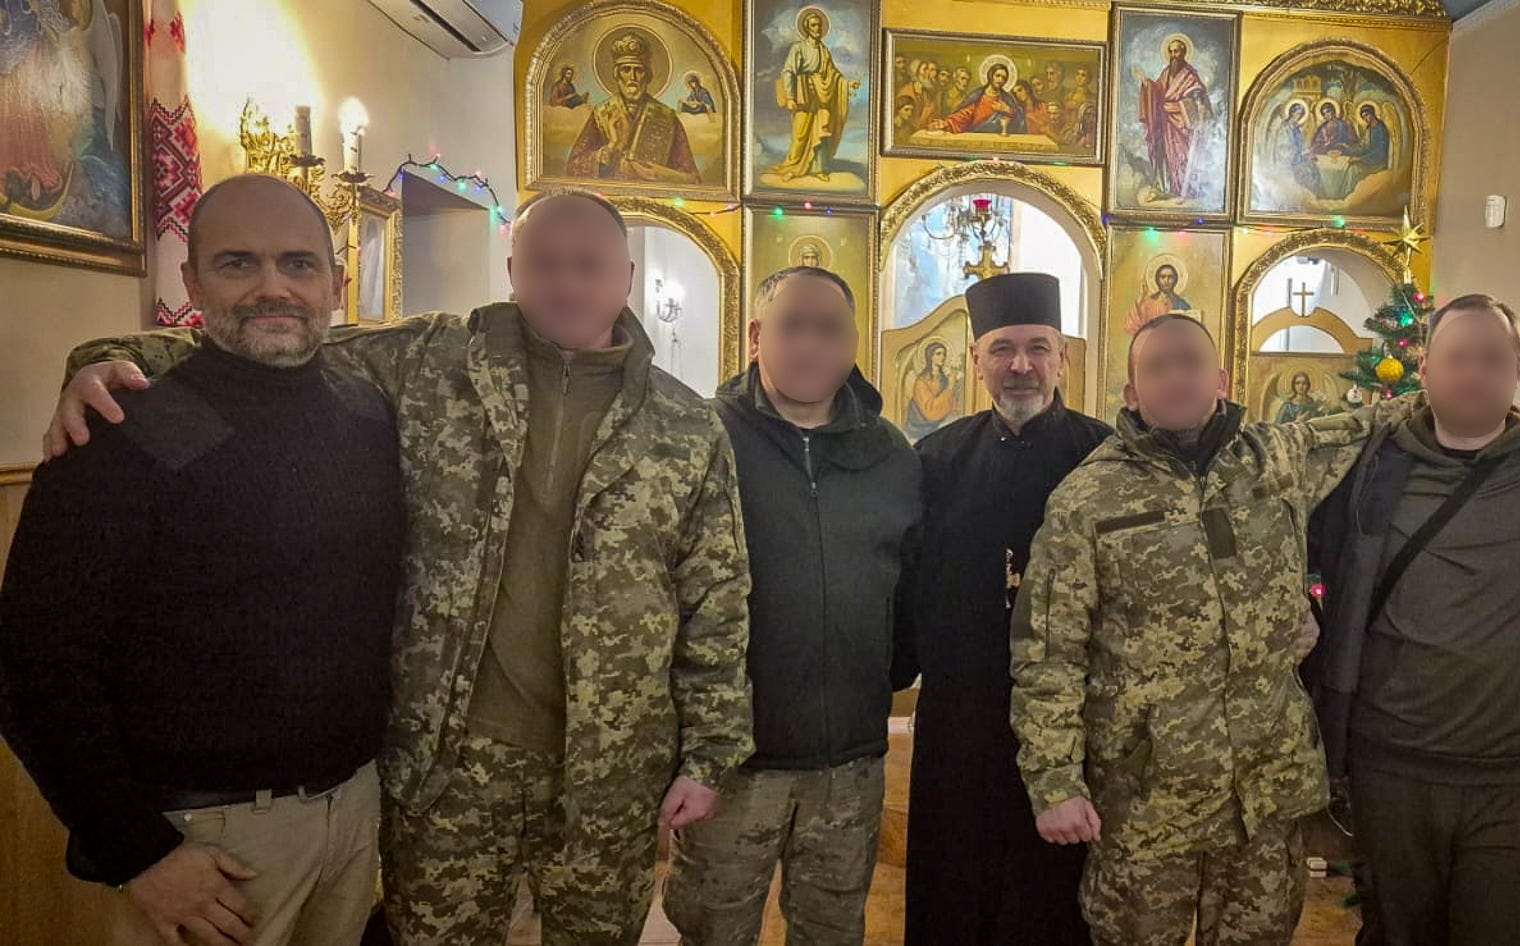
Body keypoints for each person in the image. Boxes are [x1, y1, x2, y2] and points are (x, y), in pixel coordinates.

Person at [47, 190, 755, 946]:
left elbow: (715, 597)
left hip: (611, 768)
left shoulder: (686, 424)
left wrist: (710, 754)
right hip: (447, 769)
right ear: (513, 270)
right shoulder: (430, 360)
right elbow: (269, 343)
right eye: (545, 264)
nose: (567, 284)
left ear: (627, 277)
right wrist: (108, 364)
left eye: (590, 266)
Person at [1, 174, 401, 946]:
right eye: (237, 263)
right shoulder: (128, 430)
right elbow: (34, 661)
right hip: (202, 839)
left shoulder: (369, 416)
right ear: (192, 283)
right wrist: (137, 851)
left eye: (297, 263)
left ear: (336, 283)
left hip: (356, 813)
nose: (272, 287)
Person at [1012, 313, 1370, 946]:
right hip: (1147, 800)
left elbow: (1375, 422)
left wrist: (1503, 409)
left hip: (1264, 795)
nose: (1177, 378)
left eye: (1191, 362)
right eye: (1157, 368)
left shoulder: (1276, 458)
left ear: (1221, 380)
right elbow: (1049, 652)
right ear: (1132, 393)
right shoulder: (1088, 498)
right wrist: (1055, 783)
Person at [1305, 294, 1520, 946]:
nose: (1473, 374)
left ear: (1518, 370)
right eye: (1457, 359)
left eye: (1491, 359)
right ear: (1425, 370)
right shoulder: (1362, 469)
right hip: (1394, 772)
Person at [666, 266, 920, 946]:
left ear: (853, 343)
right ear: (756, 336)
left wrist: (882, 677)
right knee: (715, 932)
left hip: (850, 763)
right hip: (731, 762)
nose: (811, 345)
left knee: (832, 931)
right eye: (792, 326)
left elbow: (909, 583)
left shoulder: (890, 456)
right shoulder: (701, 440)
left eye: (829, 329)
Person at [894, 273, 1112, 946]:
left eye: (1038, 347)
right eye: (1002, 349)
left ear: (1062, 358)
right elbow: (905, 582)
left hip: (1075, 723)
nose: (1021, 365)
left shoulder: (1106, 457)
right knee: (954, 888)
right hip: (960, 718)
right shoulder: (935, 460)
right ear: (976, 360)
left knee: (1054, 897)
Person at [565, 31, 701, 183]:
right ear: (617, 75)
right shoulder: (602, 114)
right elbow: (573, 166)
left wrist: (661, 174)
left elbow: (693, 179)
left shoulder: (667, 117)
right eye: (626, 70)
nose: (632, 77)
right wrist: (610, 149)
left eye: (639, 70)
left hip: (654, 195)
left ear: (647, 75)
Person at [767, 7, 858, 183]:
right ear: (807, 28)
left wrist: (847, 84)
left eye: (819, 25)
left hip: (822, 96)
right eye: (814, 25)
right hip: (804, 95)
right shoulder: (799, 48)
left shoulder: (824, 50)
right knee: (800, 134)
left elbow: (833, 73)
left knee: (824, 129)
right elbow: (788, 71)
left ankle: (819, 169)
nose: (817, 28)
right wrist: (791, 97)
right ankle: (794, 166)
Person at [1133, 36, 1211, 201]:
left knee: (1182, 155)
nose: (1174, 55)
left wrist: (1194, 102)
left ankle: (1184, 189)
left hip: (1182, 123)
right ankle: (1166, 187)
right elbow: (1157, 91)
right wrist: (1146, 83)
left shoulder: (1190, 75)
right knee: (1164, 155)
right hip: (1164, 122)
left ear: (1184, 53)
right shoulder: (1166, 73)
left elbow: (1198, 94)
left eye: (1177, 51)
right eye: (1171, 51)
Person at [927, 63, 1026, 136]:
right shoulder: (977, 95)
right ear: (991, 75)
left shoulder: (1007, 99)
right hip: (976, 136)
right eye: (997, 76)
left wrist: (1008, 110)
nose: (1000, 80)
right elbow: (964, 115)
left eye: (1004, 78)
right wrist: (946, 123)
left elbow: (1020, 120)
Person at [905, 340, 960, 440]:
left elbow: (952, 405)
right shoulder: (921, 382)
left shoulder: (944, 379)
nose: (942, 357)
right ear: (930, 357)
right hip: (922, 426)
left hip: (941, 422)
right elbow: (931, 411)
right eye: (938, 354)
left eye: (944, 354)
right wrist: (950, 388)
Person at [1123, 262, 1193, 335]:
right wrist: (1142, 297)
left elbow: (1190, 330)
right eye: (1163, 277)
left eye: (1170, 277)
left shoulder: (1182, 305)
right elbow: (1131, 326)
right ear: (1157, 280)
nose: (1166, 281)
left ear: (1175, 280)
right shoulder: (1148, 305)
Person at [1351, 103, 1390, 175]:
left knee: (1353, 170)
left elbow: (1381, 152)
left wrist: (1360, 159)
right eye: (1363, 117)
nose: (1365, 119)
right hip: (1367, 159)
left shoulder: (1381, 129)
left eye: (1366, 115)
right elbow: (1363, 145)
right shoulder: (1368, 129)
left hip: (1378, 162)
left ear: (1372, 113)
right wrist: (1349, 150)